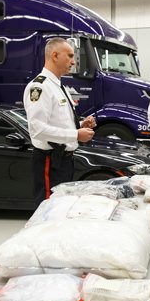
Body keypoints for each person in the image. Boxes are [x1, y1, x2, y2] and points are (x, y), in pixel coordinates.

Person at [23, 37, 96, 207]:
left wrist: (80, 125)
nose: (73, 61)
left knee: (60, 208)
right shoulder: (40, 87)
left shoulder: (58, 86)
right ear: (54, 55)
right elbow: (37, 129)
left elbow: (59, 120)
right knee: (48, 209)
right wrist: (76, 134)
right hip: (50, 160)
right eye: (70, 56)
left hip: (64, 160)